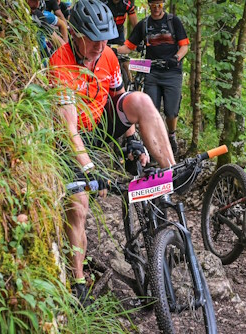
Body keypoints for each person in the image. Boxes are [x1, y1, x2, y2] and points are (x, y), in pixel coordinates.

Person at [48, 0, 175, 305]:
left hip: (100, 122)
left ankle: (172, 171)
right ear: (76, 35)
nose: (101, 45)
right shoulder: (59, 63)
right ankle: (78, 283)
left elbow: (120, 99)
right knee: (78, 207)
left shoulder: (107, 56)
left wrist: (131, 141)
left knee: (142, 100)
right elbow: (69, 130)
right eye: (94, 39)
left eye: (106, 39)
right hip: (71, 137)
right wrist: (92, 170)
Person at [116, 0, 189, 154]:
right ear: (149, 5)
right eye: (153, 5)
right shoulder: (144, 25)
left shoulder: (173, 21)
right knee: (152, 110)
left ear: (163, 4)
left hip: (172, 72)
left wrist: (175, 58)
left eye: (159, 5)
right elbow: (128, 47)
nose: (156, 9)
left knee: (171, 111)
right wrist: (110, 49)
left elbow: (185, 46)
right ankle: (155, 147)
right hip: (152, 73)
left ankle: (171, 134)